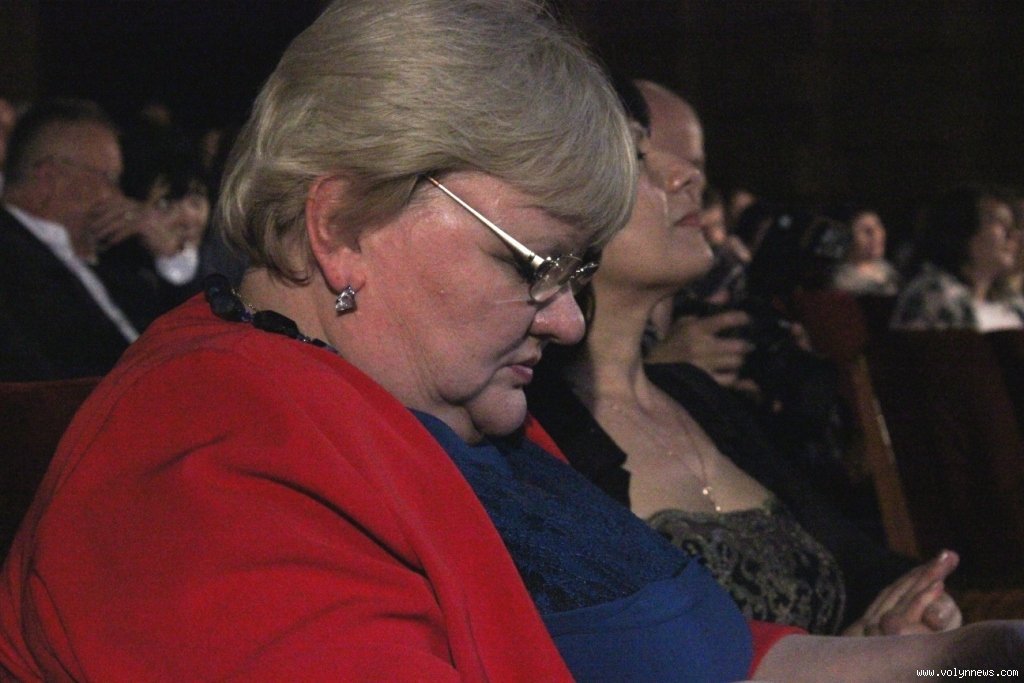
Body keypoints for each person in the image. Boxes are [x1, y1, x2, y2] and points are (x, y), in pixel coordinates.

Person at [1, 2, 1020, 681]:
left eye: (576, 272)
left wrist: (973, 655)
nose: (568, 318)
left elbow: (717, 658)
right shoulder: (211, 463)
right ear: (342, 223)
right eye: (531, 264)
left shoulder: (446, 408)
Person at [528, 76, 961, 637]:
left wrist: (915, 610)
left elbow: (861, 565)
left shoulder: (696, 394)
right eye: (637, 159)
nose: (689, 177)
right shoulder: (530, 426)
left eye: (691, 162)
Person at [892, 185, 1024, 331]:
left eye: (1012, 226)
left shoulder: (1013, 304)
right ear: (964, 231)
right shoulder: (933, 294)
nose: (1014, 235)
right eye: (1001, 223)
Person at [830, 206, 900, 296]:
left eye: (877, 226)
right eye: (866, 230)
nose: (876, 235)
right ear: (849, 238)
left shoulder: (888, 269)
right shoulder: (843, 281)